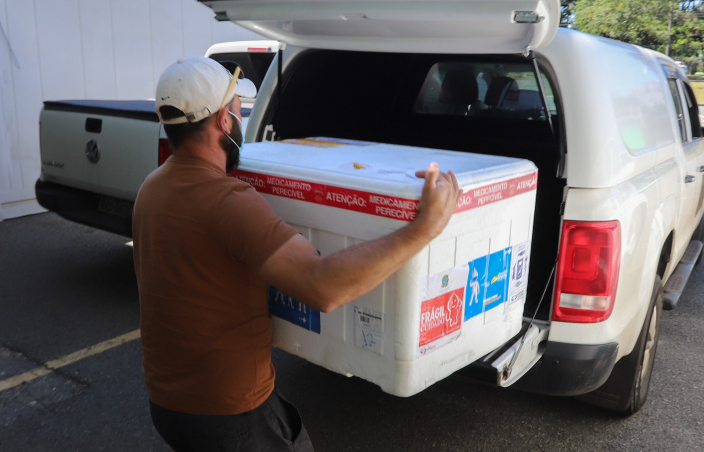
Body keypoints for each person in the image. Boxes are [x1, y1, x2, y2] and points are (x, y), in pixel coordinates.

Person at [132, 56, 462, 451]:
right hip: (226, 412)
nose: (240, 118)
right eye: (237, 108)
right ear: (224, 122)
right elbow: (322, 287)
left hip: (169, 403)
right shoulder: (228, 202)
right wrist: (426, 227)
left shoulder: (152, 187)